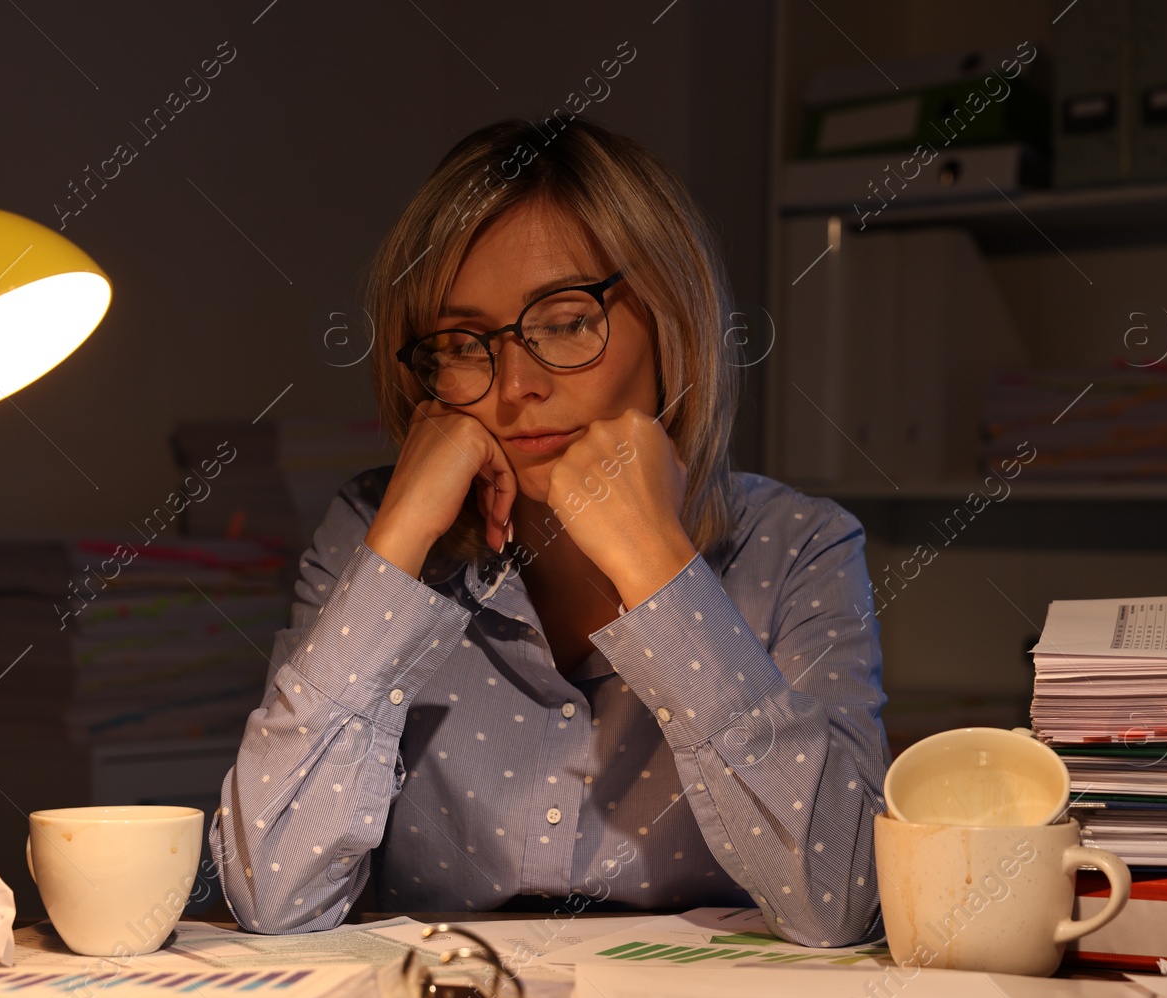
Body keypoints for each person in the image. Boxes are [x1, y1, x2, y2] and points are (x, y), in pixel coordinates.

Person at [209, 115, 890, 948]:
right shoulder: (370, 529)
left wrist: (660, 571)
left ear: (672, 319)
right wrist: (398, 539)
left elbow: (841, 903)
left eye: (566, 321)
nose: (516, 385)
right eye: (463, 342)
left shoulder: (798, 547)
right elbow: (272, 895)